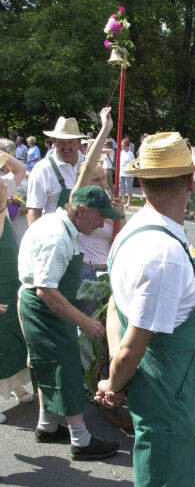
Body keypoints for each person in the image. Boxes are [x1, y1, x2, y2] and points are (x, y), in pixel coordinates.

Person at [94, 132, 195, 487]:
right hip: (165, 391)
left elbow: (116, 313)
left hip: (167, 387)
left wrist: (117, 378)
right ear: (190, 181)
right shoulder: (162, 254)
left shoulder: (134, 231)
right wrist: (114, 382)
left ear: (141, 182)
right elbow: (132, 346)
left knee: (177, 481)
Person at [18, 184, 122, 459]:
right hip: (44, 306)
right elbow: (46, 289)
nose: (102, 223)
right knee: (66, 368)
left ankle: (48, 426)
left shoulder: (66, 225)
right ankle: (81, 440)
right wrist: (85, 321)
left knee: (47, 365)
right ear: (81, 210)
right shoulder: (57, 236)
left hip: (50, 305)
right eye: (100, 216)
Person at [75, 109, 127, 315]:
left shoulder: (109, 202)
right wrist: (105, 129)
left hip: (107, 269)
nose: (102, 183)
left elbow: (119, 238)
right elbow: (88, 166)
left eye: (103, 178)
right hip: (85, 270)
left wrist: (121, 216)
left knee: (109, 323)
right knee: (88, 324)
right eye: (95, 180)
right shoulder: (80, 200)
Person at [0, 150, 34, 423]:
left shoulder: (3, 188)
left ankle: (16, 385)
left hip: (9, 276)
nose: (3, 184)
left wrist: (0, 154)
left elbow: (19, 169)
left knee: (14, 331)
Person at [26, 116, 86, 224]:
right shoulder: (42, 169)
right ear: (54, 142)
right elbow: (34, 212)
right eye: (61, 142)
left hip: (89, 237)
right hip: (56, 236)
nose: (66, 146)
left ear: (79, 143)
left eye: (71, 141)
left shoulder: (89, 165)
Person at [119, 137, 135, 207]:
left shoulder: (130, 154)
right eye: (122, 145)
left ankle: (129, 201)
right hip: (121, 173)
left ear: (128, 146)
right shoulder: (121, 153)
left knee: (128, 187)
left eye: (124, 145)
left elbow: (133, 164)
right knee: (121, 187)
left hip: (128, 174)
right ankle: (123, 200)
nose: (123, 147)